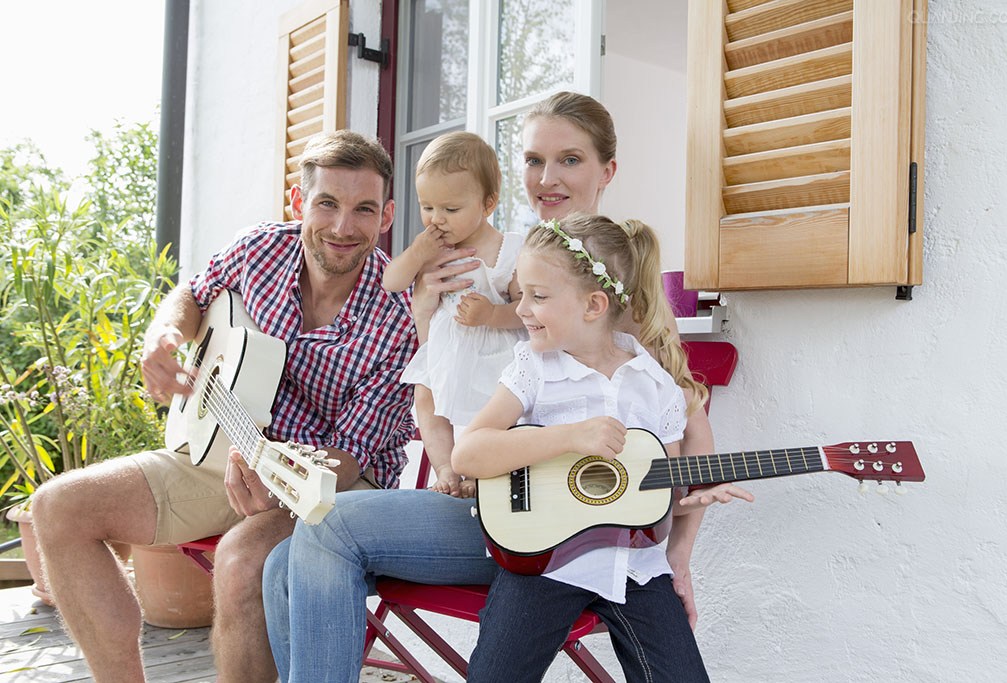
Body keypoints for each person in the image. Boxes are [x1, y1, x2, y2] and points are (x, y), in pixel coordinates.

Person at [262, 91, 714, 681]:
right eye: (533, 161)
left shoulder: (611, 292)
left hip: (540, 523)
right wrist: (426, 310)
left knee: (323, 531)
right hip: (482, 489)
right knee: (280, 565)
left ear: (607, 171)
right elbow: (442, 370)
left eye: (569, 160)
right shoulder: (504, 256)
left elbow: (686, 423)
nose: (547, 179)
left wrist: (677, 553)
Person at [29, 129, 417, 683]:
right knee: (58, 507)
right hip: (223, 450)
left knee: (239, 561)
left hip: (330, 487)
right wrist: (163, 335)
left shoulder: (399, 313)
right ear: (297, 201)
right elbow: (195, 292)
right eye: (326, 203)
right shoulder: (260, 247)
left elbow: (352, 455)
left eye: (364, 209)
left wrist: (275, 477)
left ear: (386, 216)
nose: (342, 227)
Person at [451, 214, 754, 681]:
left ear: (593, 304)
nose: (521, 309)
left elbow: (658, 490)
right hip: (544, 560)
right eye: (522, 293)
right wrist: (571, 437)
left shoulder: (656, 386)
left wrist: (690, 497)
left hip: (636, 568)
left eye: (538, 296)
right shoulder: (534, 368)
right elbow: (467, 453)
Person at [382, 132, 524, 497]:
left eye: (451, 209)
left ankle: (482, 470)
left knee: (492, 409)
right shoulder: (431, 248)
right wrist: (416, 253)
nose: (436, 219)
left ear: (488, 203)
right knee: (426, 399)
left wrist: (493, 314)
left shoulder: (507, 250)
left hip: (494, 352)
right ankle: (446, 468)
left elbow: (527, 311)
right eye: (427, 206)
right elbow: (392, 282)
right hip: (444, 350)